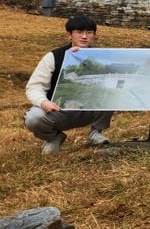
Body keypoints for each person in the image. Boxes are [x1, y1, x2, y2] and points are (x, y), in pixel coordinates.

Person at [24, 15, 113, 155]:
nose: (84, 36)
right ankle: (54, 138)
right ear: (69, 35)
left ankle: (96, 133)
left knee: (112, 94)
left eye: (89, 32)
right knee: (33, 118)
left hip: (89, 109)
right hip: (58, 110)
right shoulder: (53, 56)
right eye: (79, 32)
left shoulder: (102, 57)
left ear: (94, 35)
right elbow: (34, 86)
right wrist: (43, 103)